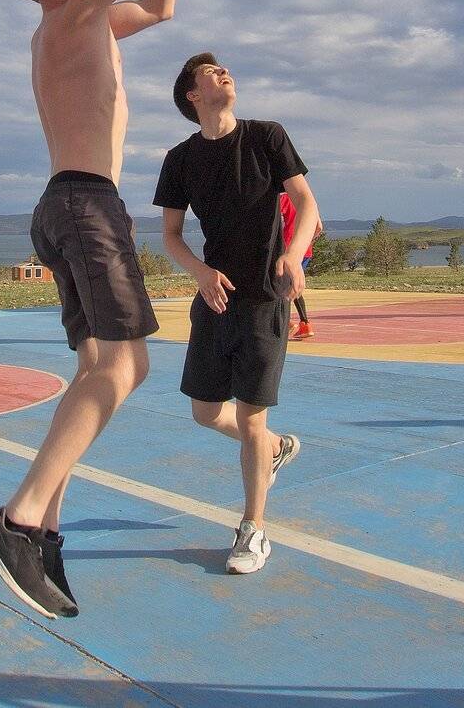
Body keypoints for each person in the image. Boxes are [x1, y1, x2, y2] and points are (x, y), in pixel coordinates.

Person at [0, 0, 206, 620]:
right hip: (83, 200)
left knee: (94, 372)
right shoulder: (68, 16)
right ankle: (18, 518)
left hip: (68, 203)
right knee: (127, 365)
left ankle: (46, 534)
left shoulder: (89, 25)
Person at [154, 53, 320, 575]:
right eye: (210, 72)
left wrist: (292, 254)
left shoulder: (268, 136)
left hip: (264, 297)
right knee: (205, 411)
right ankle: (272, 448)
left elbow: (308, 204)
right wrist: (200, 273)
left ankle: (253, 529)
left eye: (225, 69)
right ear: (191, 95)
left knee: (250, 415)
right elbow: (172, 236)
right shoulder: (180, 159)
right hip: (214, 297)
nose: (223, 74)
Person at [280, 192, 323, 339]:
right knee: (293, 284)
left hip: (288, 248)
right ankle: (304, 324)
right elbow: (318, 227)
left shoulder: (283, 198)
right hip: (304, 249)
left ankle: (285, 322)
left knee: (279, 285)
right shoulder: (307, 201)